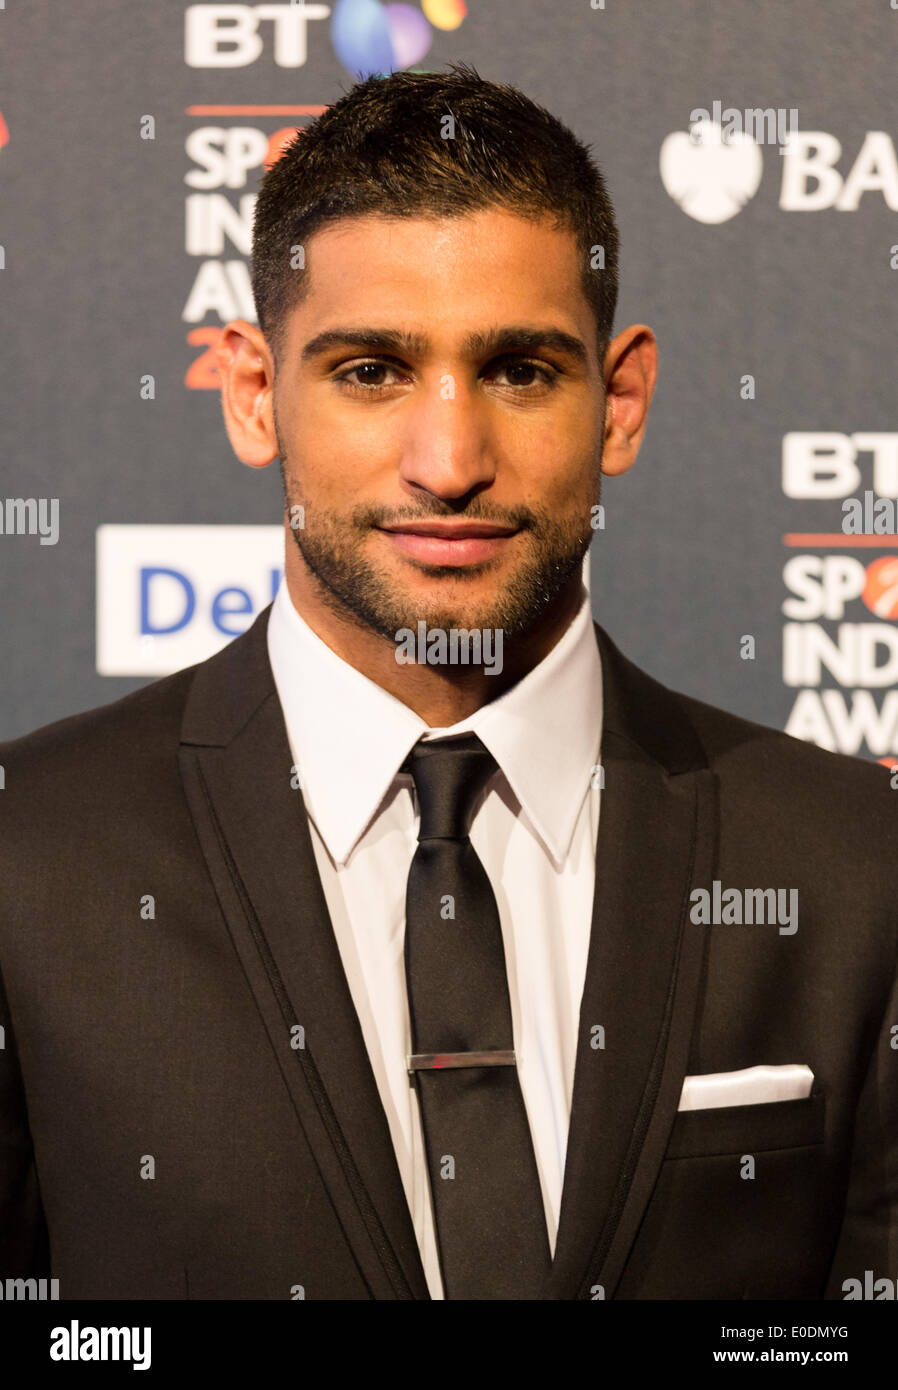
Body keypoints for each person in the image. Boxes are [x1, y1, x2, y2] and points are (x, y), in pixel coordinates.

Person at [0, 63, 895, 1301]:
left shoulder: (854, 865)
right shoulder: (29, 853)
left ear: (619, 400)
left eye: (519, 369)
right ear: (256, 393)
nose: (450, 460)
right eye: (370, 369)